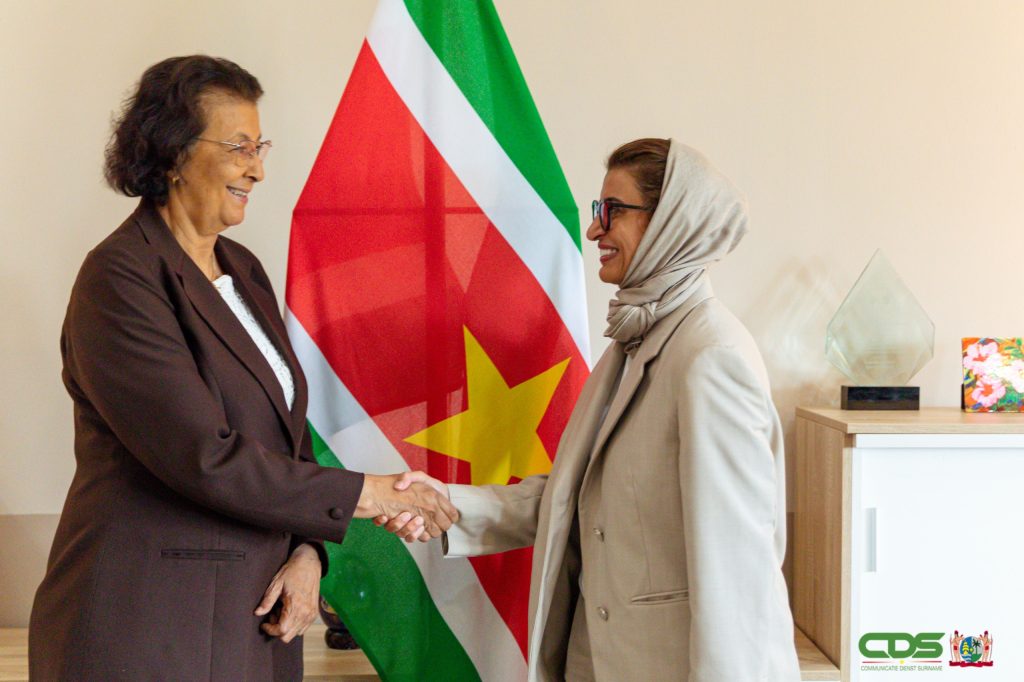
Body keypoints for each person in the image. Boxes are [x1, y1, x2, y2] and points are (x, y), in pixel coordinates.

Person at [28, 55, 457, 681]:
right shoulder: (119, 278)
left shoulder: (244, 269)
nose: (258, 169)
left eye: (260, 147)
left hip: (250, 621)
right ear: (172, 154)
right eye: (238, 148)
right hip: (149, 626)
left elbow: (284, 438)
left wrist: (308, 552)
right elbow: (204, 455)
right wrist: (369, 493)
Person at [383, 139, 801, 680]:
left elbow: (738, 579)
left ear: (670, 221)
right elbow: (578, 498)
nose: (594, 230)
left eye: (612, 210)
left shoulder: (709, 357)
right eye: (597, 209)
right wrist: (445, 504)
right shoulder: (633, 346)